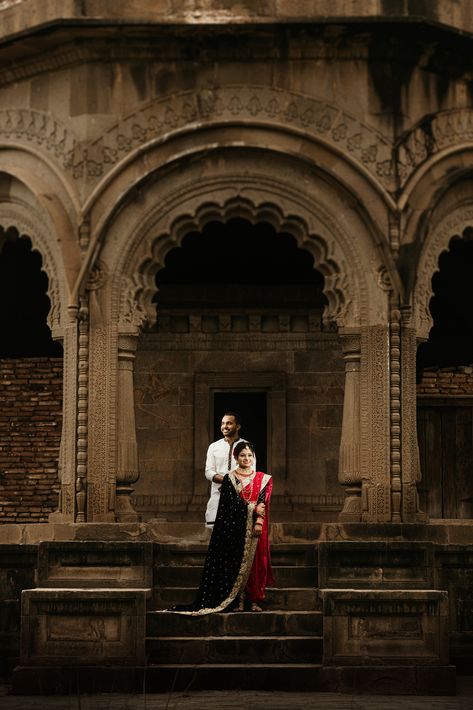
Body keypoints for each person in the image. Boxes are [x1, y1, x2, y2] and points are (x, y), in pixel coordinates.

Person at [170, 441, 274, 615]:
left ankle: (254, 599)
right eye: (242, 455)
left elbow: (263, 502)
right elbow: (230, 505)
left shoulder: (264, 479)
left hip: (257, 528)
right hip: (236, 529)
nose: (246, 458)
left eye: (249, 455)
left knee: (256, 563)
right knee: (237, 562)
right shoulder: (230, 479)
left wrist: (259, 521)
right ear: (236, 458)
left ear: (253, 457)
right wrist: (251, 508)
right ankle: (238, 599)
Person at [204, 411, 250, 528]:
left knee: (236, 540)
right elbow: (208, 472)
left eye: (229, 423)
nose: (224, 426)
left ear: (238, 426)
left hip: (239, 499)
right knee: (215, 540)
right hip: (217, 499)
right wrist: (226, 480)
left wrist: (231, 483)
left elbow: (250, 473)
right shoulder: (214, 447)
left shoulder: (247, 446)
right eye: (223, 423)